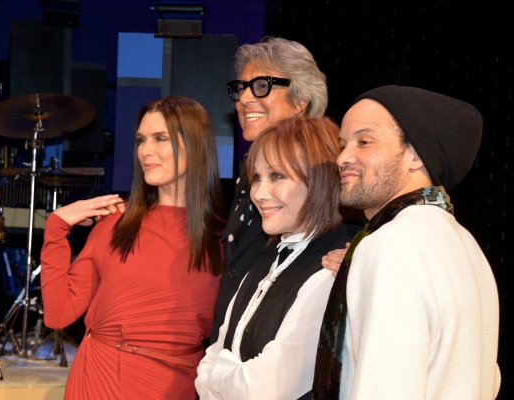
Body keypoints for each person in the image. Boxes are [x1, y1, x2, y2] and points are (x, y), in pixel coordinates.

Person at [313, 85, 501, 399]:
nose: (343, 157)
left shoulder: (389, 246)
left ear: (415, 154)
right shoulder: (467, 244)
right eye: (343, 144)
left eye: (365, 141)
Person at [40, 96, 227, 399]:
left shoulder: (223, 237)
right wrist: (57, 227)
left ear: (194, 145)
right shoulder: (115, 223)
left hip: (176, 384)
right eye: (141, 139)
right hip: (98, 378)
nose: (145, 151)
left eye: (160, 138)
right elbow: (58, 314)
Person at [196, 117, 351, 399]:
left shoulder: (332, 269)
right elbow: (211, 357)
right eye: (256, 178)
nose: (259, 193)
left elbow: (266, 388)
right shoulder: (261, 265)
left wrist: (218, 379)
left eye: (276, 176)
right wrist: (225, 378)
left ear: (321, 181)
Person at [212, 36, 330, 344]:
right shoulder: (245, 173)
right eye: (240, 88)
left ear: (301, 99)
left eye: (262, 86)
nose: (244, 99)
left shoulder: (333, 174)